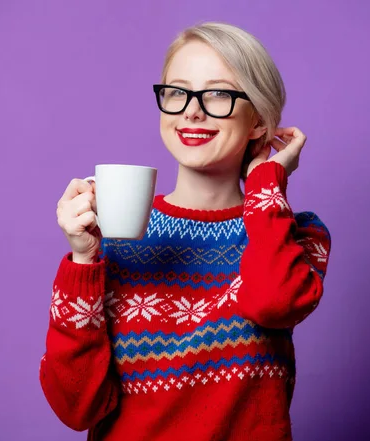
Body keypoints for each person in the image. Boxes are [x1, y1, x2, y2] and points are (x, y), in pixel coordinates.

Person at [39, 21, 331, 441]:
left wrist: (267, 182)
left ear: (258, 122)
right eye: (177, 92)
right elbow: (77, 407)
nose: (192, 110)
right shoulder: (116, 234)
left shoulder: (297, 236)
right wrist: (83, 260)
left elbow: (274, 304)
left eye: (217, 94)